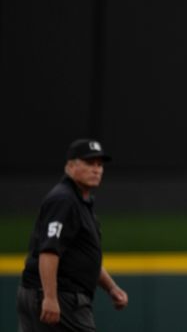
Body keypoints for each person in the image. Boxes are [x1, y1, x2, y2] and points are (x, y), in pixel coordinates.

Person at [17, 139, 129, 331]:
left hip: (53, 293)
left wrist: (111, 288)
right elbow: (49, 251)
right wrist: (50, 298)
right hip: (62, 295)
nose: (96, 170)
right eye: (88, 163)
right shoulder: (64, 200)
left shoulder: (78, 202)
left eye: (100, 164)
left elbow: (83, 258)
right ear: (70, 166)